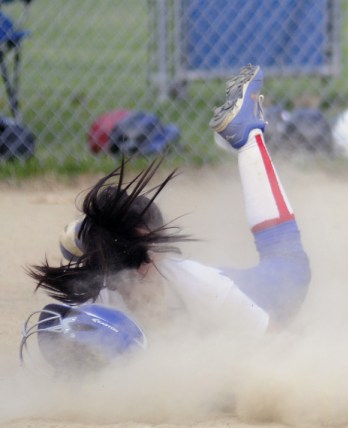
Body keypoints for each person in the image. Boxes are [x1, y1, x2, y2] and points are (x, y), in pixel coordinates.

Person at [22, 64, 310, 370]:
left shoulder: (202, 287)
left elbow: (283, 347)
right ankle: (84, 233)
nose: (132, 292)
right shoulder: (99, 293)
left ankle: (248, 135)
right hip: (171, 281)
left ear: (152, 257)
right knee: (100, 240)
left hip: (263, 291)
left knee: (291, 265)